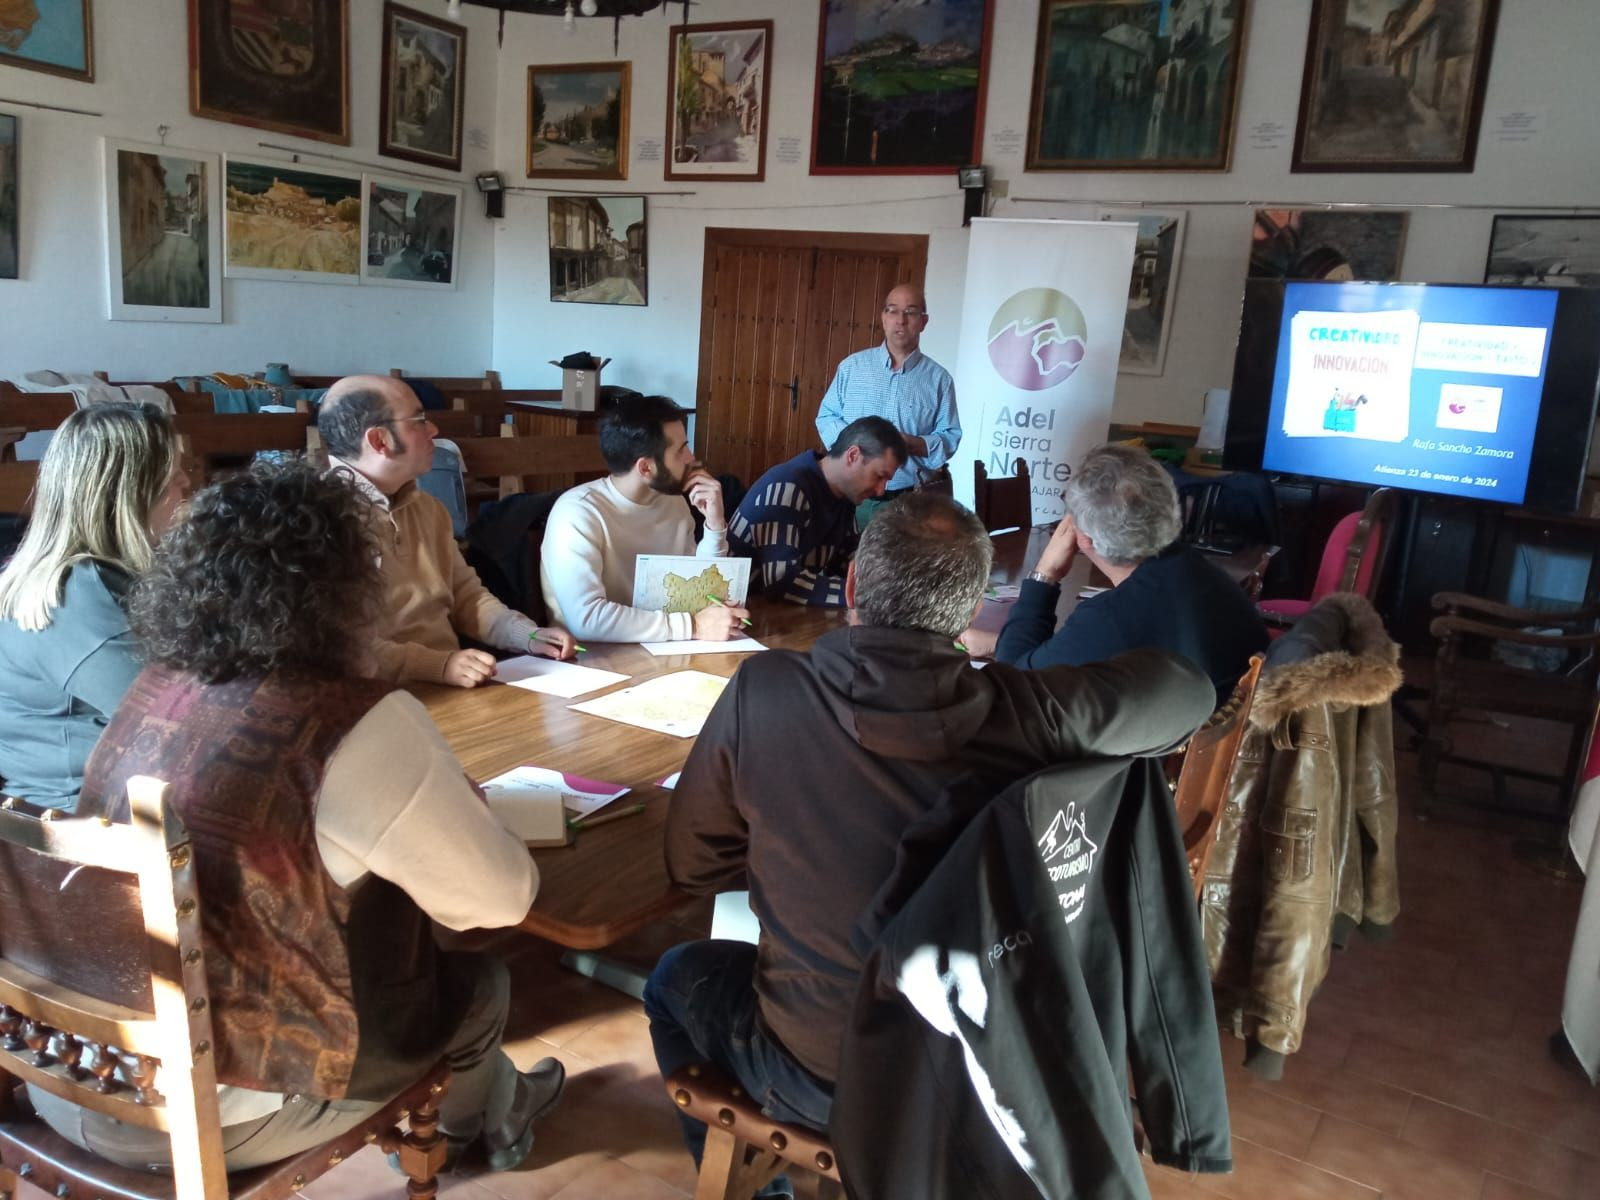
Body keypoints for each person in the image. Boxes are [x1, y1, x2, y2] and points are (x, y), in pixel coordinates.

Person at [644, 493, 1215, 1185]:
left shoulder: (762, 690)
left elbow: (693, 866)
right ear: (972, 611)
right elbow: (1189, 690)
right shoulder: (1029, 713)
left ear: (853, 583)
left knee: (674, 977)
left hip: (822, 1078)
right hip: (984, 1074)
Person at [55, 460, 565, 1174]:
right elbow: (501, 900)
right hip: (203, 1113)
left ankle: (497, 1103)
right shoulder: (355, 722)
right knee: (478, 986)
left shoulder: (152, 690)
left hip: (69, 1067)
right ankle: (477, 1127)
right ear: (347, 591)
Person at [317, 374, 575, 688]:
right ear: (379, 441)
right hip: (373, 694)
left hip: (448, 682)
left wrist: (527, 635)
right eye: (419, 421)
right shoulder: (319, 522)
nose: (434, 430)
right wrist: (438, 666)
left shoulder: (428, 508)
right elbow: (343, 647)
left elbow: (467, 597)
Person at [970, 443, 1268, 706]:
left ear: (1082, 536)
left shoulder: (1110, 618)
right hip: (1216, 738)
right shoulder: (1201, 571)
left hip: (1168, 750)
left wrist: (1044, 574)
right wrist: (998, 643)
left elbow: (1017, 681)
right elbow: (1060, 654)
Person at [0, 403, 187, 809]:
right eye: (174, 476)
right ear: (131, 493)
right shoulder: (77, 596)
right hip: (82, 821)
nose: (186, 483)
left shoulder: (91, 575)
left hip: (106, 803)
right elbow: (175, 720)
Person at [539, 393, 748, 642]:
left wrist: (714, 525)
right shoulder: (577, 513)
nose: (691, 458)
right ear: (646, 468)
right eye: (681, 450)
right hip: (590, 656)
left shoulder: (673, 503)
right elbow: (587, 619)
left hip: (663, 647)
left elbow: (699, 592)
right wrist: (693, 626)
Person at [727, 416, 906, 607]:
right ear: (853, 455)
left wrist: (890, 586)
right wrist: (863, 597)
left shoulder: (845, 497)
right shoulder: (788, 486)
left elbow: (851, 561)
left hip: (777, 613)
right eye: (879, 476)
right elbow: (781, 582)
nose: (881, 490)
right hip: (738, 611)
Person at [814, 282, 961, 497]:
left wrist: (914, 444)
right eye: (892, 311)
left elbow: (950, 436)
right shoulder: (852, 367)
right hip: (851, 495)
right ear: (884, 318)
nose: (900, 320)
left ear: (923, 321)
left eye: (910, 312)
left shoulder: (940, 380)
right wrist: (859, 443)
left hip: (910, 496)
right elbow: (826, 416)